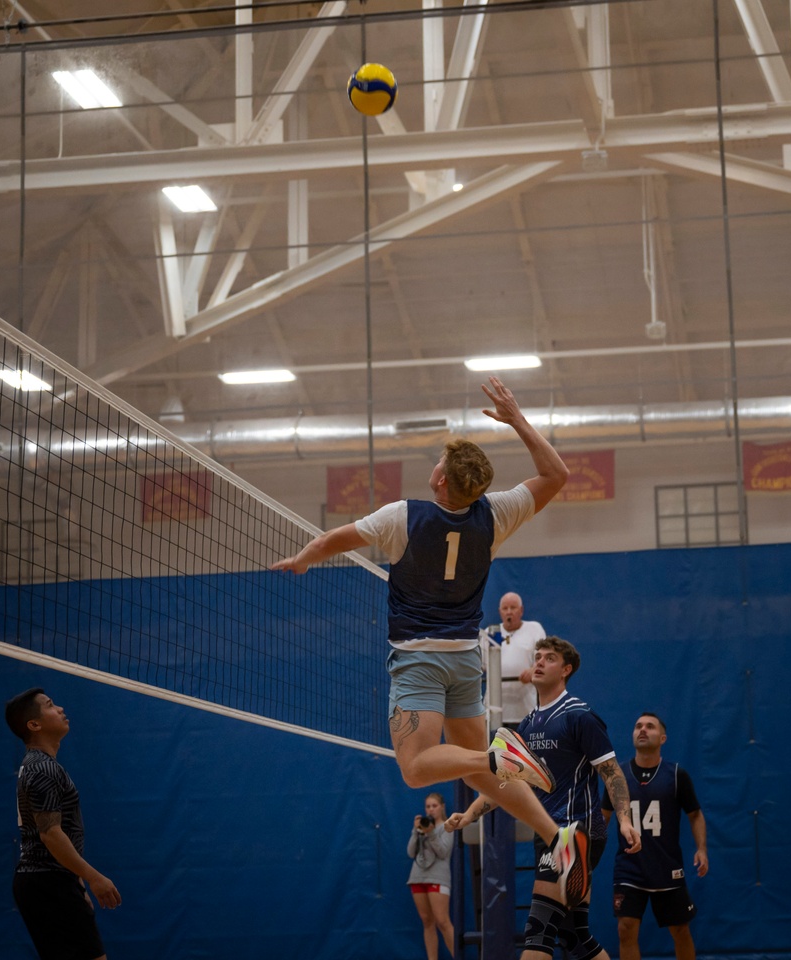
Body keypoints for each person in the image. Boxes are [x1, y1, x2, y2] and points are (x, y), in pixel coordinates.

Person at [273, 377, 591, 908]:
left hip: (419, 660)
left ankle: (501, 754)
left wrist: (305, 558)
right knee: (476, 766)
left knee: (417, 768)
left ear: (439, 478)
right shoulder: (497, 515)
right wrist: (515, 418)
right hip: (467, 658)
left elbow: (333, 540)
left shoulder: (402, 515)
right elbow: (556, 474)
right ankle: (556, 834)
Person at [448, 637, 642, 960]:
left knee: (538, 932)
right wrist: (469, 814)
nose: (538, 662)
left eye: (549, 658)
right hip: (549, 836)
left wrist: (624, 819)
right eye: (536, 657)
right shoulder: (527, 724)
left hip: (576, 835)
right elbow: (507, 784)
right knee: (573, 937)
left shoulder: (579, 715)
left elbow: (611, 772)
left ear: (565, 670)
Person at [5, 688, 121, 960]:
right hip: (47, 882)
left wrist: (77, 882)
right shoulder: (42, 768)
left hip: (50, 881)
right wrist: (93, 877)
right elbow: (50, 834)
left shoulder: (40, 765)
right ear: (34, 724)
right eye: (50, 705)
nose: (60, 709)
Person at [602, 712, 708, 960]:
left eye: (649, 727)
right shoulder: (619, 777)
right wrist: (587, 849)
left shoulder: (676, 775)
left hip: (667, 868)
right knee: (625, 929)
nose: (642, 730)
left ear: (662, 738)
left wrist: (701, 848)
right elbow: (603, 817)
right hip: (629, 868)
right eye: (638, 726)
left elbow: (695, 814)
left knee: (681, 929)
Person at [484, 591, 545, 726]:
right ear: (500, 612)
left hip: (525, 709)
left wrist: (533, 670)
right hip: (495, 710)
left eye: (513, 608)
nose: (509, 612)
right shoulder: (492, 632)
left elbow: (543, 658)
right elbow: (481, 664)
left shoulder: (534, 629)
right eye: (505, 608)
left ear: (521, 610)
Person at [407, 792, 456, 960]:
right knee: (427, 921)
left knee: (442, 921)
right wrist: (416, 831)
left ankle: (458, 956)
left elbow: (443, 852)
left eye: (434, 806)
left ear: (442, 807)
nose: (430, 810)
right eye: (428, 806)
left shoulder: (448, 826)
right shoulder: (422, 827)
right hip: (417, 877)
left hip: (438, 877)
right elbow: (410, 852)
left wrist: (431, 833)